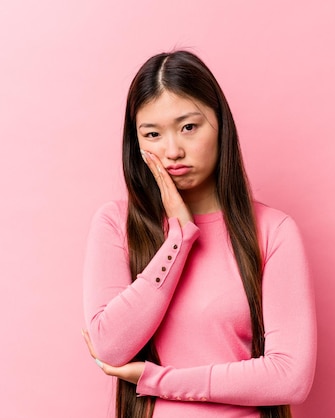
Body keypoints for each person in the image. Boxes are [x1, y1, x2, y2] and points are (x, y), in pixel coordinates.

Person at [82, 50, 316, 418]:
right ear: (136, 141)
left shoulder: (274, 232)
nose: (173, 151)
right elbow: (110, 347)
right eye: (153, 134)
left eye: (189, 127)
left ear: (220, 125)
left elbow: (290, 377)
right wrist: (178, 237)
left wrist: (157, 379)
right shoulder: (115, 223)